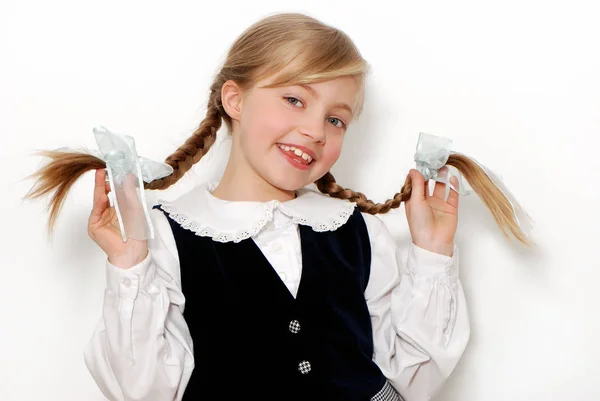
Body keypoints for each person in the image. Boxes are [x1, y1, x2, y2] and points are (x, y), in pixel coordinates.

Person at [25, 12, 532, 401]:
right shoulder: (167, 236)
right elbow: (146, 390)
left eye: (337, 119)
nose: (315, 129)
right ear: (235, 99)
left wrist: (433, 252)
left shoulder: (357, 233)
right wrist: (130, 266)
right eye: (295, 99)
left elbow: (408, 378)